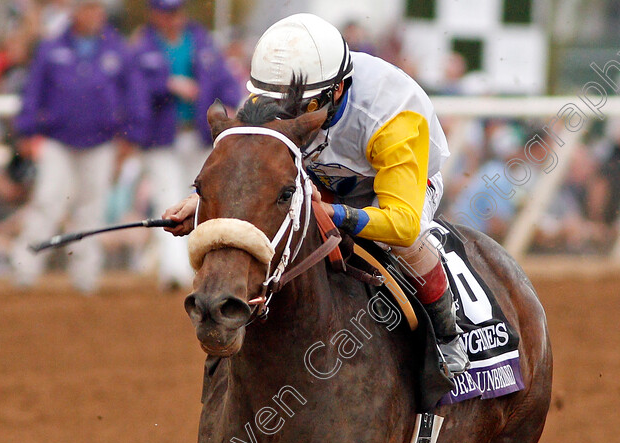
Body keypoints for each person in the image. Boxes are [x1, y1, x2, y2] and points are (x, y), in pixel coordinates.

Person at [164, 13, 470, 376]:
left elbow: (401, 224)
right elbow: (252, 176)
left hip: (396, 181)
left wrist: (336, 214)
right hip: (318, 176)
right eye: (278, 102)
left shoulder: (393, 117)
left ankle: (448, 338)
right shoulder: (273, 96)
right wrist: (201, 204)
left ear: (337, 89)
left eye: (303, 107)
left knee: (404, 244)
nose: (289, 116)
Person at [10, 0, 147, 293]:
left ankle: (86, 276)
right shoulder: (51, 47)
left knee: (92, 208)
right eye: (87, 8)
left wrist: (131, 135)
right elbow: (33, 91)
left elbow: (134, 94)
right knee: (47, 200)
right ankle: (26, 268)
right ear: (75, 12)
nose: (94, 14)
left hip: (101, 142)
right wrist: (26, 128)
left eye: (97, 8)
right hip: (58, 140)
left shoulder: (117, 48)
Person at [131, 0, 242, 290]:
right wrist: (167, 86)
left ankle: (199, 268)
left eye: (176, 11)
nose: (172, 18)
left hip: (200, 136)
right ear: (154, 14)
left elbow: (226, 83)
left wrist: (228, 105)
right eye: (166, 12)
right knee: (167, 200)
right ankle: (174, 271)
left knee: (202, 199)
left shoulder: (203, 42)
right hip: (160, 138)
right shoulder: (142, 48)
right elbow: (135, 92)